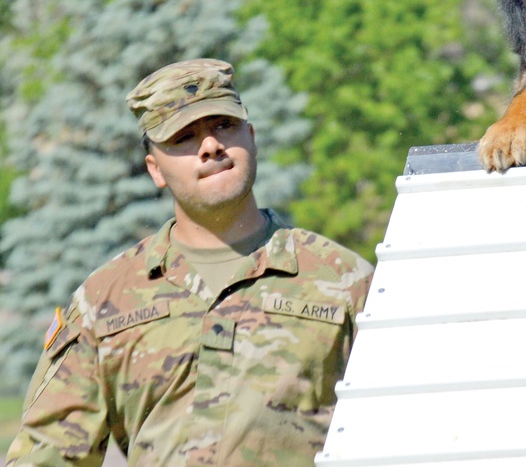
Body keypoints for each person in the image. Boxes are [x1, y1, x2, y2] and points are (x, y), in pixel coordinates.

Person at [5, 59, 374, 466]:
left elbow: (402, 429)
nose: (211, 146)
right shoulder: (105, 300)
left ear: (251, 138)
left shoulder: (344, 281)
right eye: (184, 137)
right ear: (155, 169)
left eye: (224, 126)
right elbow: (48, 455)